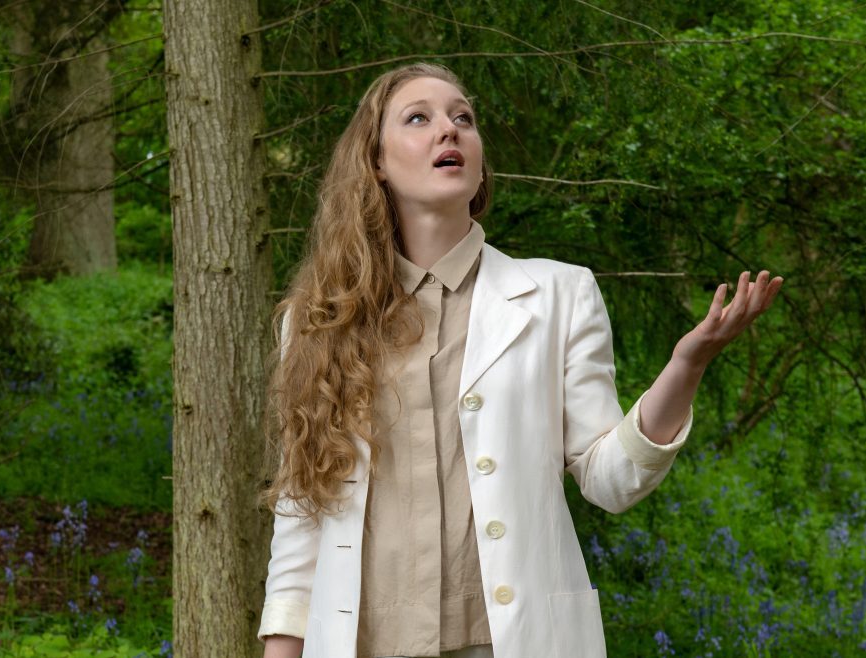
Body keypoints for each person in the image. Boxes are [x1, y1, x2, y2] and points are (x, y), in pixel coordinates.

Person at [256, 62, 784, 658]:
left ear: (479, 164)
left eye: (464, 118)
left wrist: (686, 365)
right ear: (376, 162)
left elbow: (610, 480)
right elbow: (304, 510)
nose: (449, 130)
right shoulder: (318, 319)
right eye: (418, 118)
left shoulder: (561, 294)